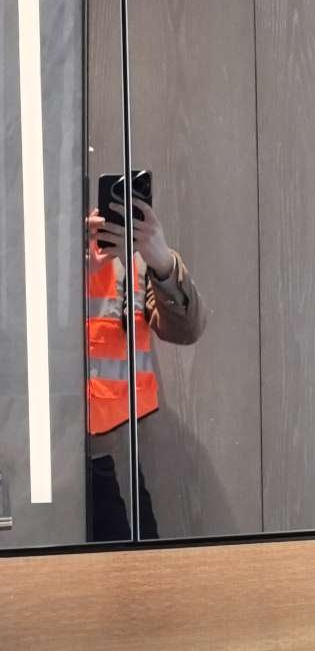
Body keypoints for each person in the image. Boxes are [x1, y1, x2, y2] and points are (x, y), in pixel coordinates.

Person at [84, 191, 207, 541]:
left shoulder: (134, 262)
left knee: (134, 571)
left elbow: (187, 330)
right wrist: (71, 274)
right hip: (41, 459)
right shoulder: (35, 257)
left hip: (115, 456)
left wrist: (163, 262)